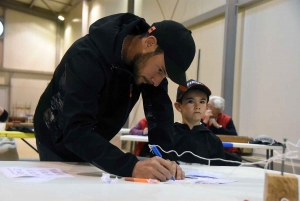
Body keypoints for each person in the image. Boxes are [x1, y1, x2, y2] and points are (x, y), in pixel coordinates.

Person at [34, 13, 196, 181]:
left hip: (95, 137)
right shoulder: (85, 57)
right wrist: (131, 166)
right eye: (161, 70)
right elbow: (76, 130)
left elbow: (160, 113)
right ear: (149, 43)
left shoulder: (150, 64)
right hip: (56, 136)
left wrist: (167, 160)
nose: (157, 82)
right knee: (66, 189)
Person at [148, 79, 226, 165]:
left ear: (207, 106)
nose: (197, 106)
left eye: (202, 102)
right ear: (178, 106)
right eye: (191, 101)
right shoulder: (167, 136)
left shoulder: (213, 140)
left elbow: (220, 171)